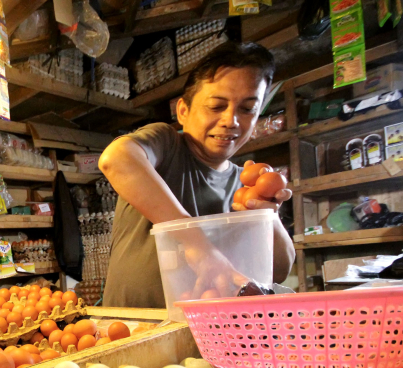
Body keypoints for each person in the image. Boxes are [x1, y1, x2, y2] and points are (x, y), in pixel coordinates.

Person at [100, 42, 295, 308]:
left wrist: (267, 216)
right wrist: (200, 247)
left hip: (207, 334)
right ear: (183, 111)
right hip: (133, 326)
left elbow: (279, 271)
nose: (231, 120)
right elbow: (116, 159)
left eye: (247, 109)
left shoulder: (244, 183)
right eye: (216, 106)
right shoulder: (166, 146)